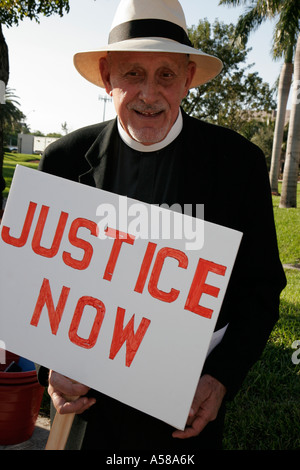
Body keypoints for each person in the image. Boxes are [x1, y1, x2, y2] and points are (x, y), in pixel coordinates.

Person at [36, 0, 286, 451]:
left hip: (188, 414)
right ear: (108, 75)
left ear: (188, 79)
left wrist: (220, 379)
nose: (149, 94)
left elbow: (262, 287)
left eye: (166, 75)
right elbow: (35, 283)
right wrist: (48, 369)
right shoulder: (64, 161)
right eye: (133, 73)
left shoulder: (238, 166)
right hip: (92, 414)